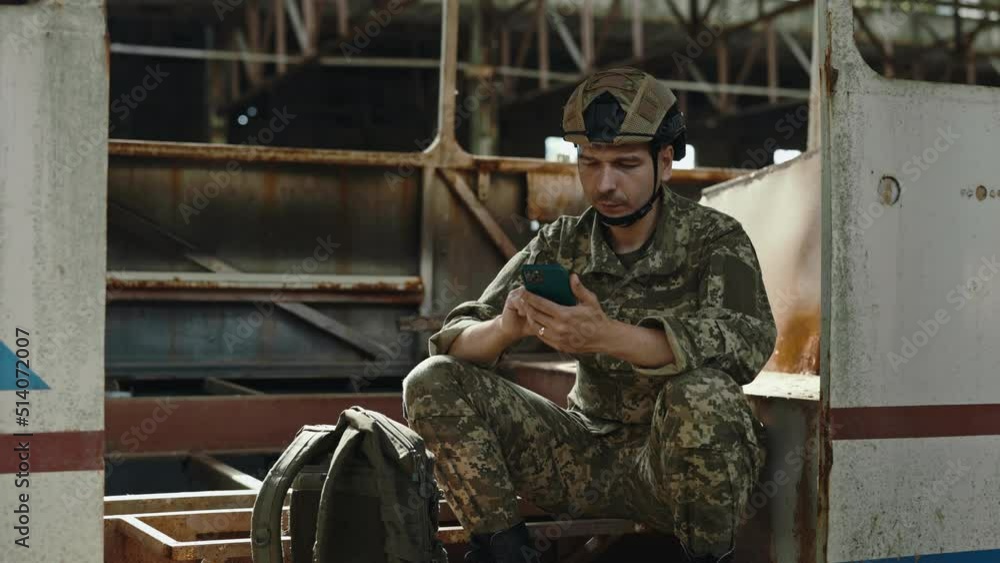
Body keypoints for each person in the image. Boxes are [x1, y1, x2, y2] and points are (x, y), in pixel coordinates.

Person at [402, 67, 777, 563]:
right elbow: (454, 339)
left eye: (624, 164)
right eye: (589, 162)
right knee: (431, 379)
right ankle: (503, 550)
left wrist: (608, 336)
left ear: (664, 162)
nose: (605, 183)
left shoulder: (714, 239)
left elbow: (747, 343)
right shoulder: (561, 243)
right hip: (579, 455)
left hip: (672, 467)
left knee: (705, 397)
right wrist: (504, 328)